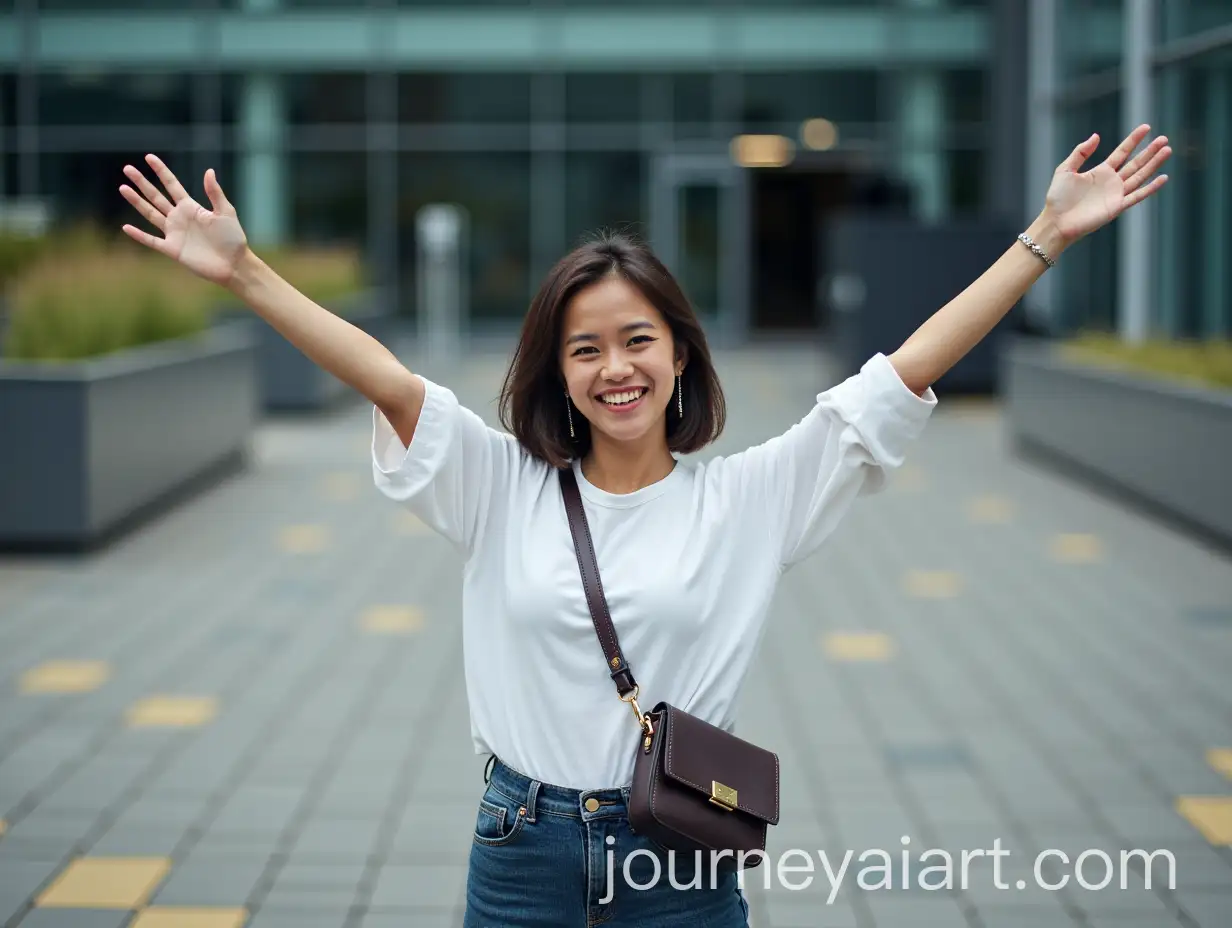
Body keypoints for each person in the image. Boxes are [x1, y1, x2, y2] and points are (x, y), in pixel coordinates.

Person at [118, 124, 1169, 926]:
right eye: (584, 349)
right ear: (556, 371)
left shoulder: (749, 497)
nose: (613, 367)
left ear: (677, 354)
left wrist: (1041, 238)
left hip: (677, 850)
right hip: (520, 844)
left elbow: (904, 370)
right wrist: (245, 274)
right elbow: (388, 381)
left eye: (635, 339)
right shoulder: (499, 482)